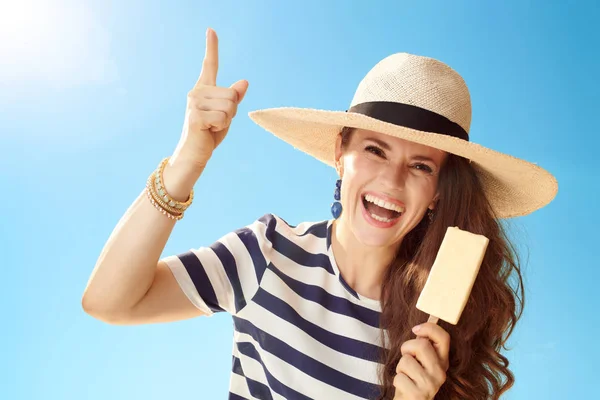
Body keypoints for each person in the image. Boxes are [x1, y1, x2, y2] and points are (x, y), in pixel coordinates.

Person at [82, 28, 558, 400]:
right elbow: (109, 302)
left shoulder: (437, 334)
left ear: (437, 192)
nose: (391, 183)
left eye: (420, 166)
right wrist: (188, 161)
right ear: (340, 153)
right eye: (375, 150)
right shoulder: (267, 254)